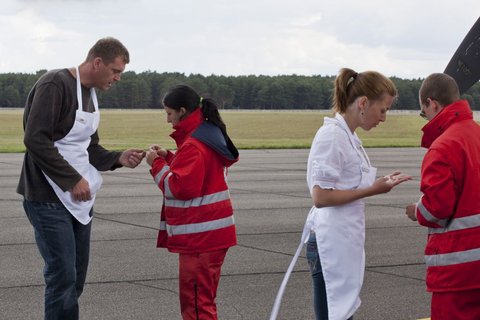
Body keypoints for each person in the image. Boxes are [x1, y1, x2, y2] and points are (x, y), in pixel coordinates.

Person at [17, 37, 145, 320]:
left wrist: (118, 158)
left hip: (77, 202)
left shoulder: (91, 95)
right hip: (47, 198)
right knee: (62, 275)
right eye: (115, 71)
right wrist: (72, 179)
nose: (118, 78)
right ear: (97, 62)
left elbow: (89, 148)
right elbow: (35, 140)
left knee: (76, 277)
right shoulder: (55, 84)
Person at [304, 68, 411, 320]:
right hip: (329, 242)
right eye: (383, 110)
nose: (383, 118)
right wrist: (373, 189)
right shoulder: (332, 137)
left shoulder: (347, 137)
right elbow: (320, 197)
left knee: (342, 312)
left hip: (342, 240)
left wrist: (377, 184)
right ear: (363, 103)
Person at [146, 84, 239, 320]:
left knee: (197, 305)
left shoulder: (194, 145)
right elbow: (201, 172)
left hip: (201, 239)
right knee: (202, 300)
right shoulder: (205, 135)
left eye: (169, 113)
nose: (167, 120)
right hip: (211, 236)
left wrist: (156, 164)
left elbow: (179, 187)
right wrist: (171, 157)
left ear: (183, 110)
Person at [405, 73, 480, 320]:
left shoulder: (442, 147)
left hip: (458, 272)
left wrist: (416, 210)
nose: (425, 117)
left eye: (423, 111)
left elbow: (438, 209)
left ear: (432, 103)